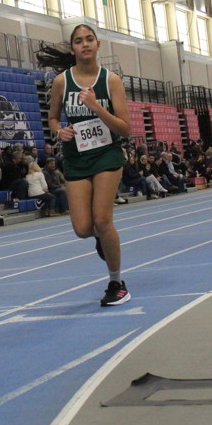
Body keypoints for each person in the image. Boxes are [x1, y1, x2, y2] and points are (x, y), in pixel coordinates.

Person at [40, 24, 132, 307]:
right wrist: (59, 131)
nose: (85, 44)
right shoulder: (62, 82)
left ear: (98, 44)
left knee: (102, 220)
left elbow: (125, 128)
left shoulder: (111, 81)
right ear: (73, 49)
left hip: (106, 155)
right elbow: (53, 118)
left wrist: (96, 107)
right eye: (79, 41)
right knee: (82, 228)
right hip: (76, 157)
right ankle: (103, 238)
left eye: (89, 39)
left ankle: (116, 283)